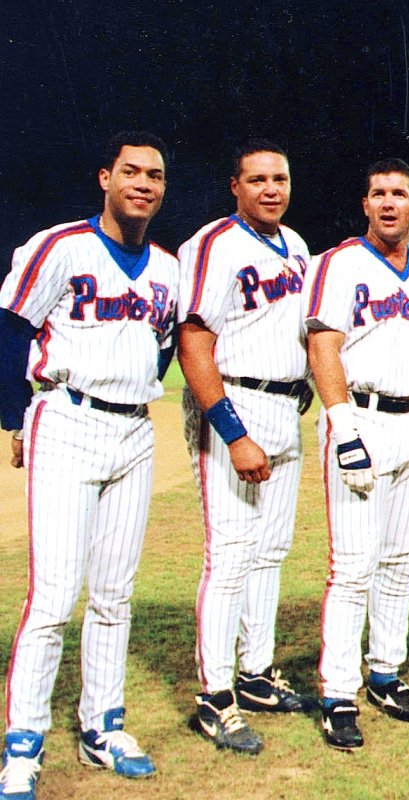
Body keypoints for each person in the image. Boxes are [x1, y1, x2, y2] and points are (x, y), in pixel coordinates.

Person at [0, 131, 177, 797]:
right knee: (53, 596)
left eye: (155, 175)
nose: (143, 184)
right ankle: (23, 741)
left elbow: (159, 347)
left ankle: (103, 723)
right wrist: (16, 414)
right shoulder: (61, 246)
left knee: (114, 592)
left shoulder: (165, 267)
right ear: (105, 177)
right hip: (68, 418)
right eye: (130, 171)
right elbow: (11, 327)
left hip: (133, 430)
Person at [176, 139, 314, 755]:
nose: (270, 189)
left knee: (270, 551)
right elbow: (194, 340)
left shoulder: (298, 246)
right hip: (237, 402)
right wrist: (232, 432)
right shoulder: (214, 244)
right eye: (256, 179)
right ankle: (215, 693)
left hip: (284, 404)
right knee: (230, 554)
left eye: (279, 178)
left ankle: (255, 673)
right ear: (234, 185)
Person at [303, 158, 409, 750]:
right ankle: (337, 691)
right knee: (352, 567)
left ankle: (385, 671)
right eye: (377, 192)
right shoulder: (339, 263)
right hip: (359, 416)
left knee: (400, 562)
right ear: (365, 204)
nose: (388, 202)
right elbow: (323, 347)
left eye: (399, 194)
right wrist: (342, 428)